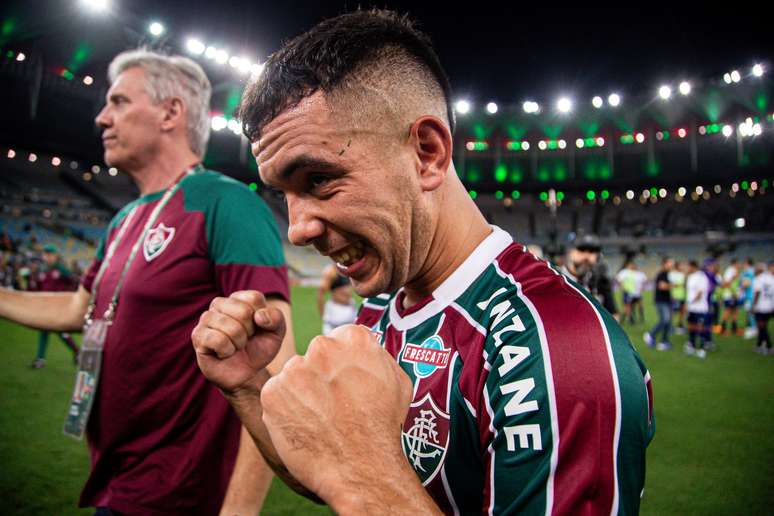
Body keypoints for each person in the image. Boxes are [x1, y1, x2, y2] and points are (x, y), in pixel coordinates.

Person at [191, 10, 655, 514]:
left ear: (427, 153)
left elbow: (364, 482)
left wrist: (365, 476)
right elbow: (336, 471)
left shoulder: (557, 348)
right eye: (284, 195)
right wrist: (247, 385)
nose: (297, 228)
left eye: (318, 180)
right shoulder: (382, 304)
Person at [0, 50, 295, 514]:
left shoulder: (227, 204)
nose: (102, 117)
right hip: (116, 480)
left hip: (180, 494)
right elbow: (78, 309)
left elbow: (274, 371)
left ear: (170, 112)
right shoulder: (123, 219)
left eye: (118, 101)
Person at [30, 244, 80, 368]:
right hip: (46, 306)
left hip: (58, 306)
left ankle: (77, 352)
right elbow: (38, 288)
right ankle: (41, 358)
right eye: (45, 254)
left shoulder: (61, 269)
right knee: (46, 330)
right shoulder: (42, 271)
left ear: (55, 256)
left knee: (57, 331)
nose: (47, 257)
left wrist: (68, 296)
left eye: (50, 254)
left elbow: (74, 281)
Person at [561, 233, 618, 319]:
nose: (586, 256)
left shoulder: (601, 282)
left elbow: (613, 315)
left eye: (592, 252)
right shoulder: (555, 278)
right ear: (570, 252)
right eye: (581, 250)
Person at [644, 257, 674, 351]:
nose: (672, 265)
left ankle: (664, 342)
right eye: (670, 263)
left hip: (666, 301)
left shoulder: (667, 274)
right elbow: (662, 286)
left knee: (668, 322)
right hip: (661, 301)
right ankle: (650, 334)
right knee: (665, 319)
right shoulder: (662, 274)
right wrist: (672, 285)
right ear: (664, 264)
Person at [685, 260, 710, 359]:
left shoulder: (702, 277)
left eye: (688, 266)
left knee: (700, 328)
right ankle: (692, 345)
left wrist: (689, 303)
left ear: (693, 266)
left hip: (700, 308)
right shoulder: (690, 277)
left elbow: (700, 293)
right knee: (691, 326)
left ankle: (702, 348)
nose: (687, 268)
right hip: (692, 308)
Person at [751, 261, 774, 354]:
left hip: (760, 307)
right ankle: (759, 345)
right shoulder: (771, 278)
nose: (754, 270)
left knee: (762, 327)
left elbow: (757, 292)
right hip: (770, 306)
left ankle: (769, 346)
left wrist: (753, 305)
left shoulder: (758, 279)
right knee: (762, 327)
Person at [616, 260, 646, 324]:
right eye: (630, 265)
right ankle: (629, 319)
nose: (632, 266)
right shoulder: (624, 272)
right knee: (627, 306)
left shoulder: (637, 273)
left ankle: (641, 318)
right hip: (628, 292)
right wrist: (623, 287)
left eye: (633, 265)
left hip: (637, 293)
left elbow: (643, 280)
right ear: (628, 265)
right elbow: (619, 280)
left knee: (639, 305)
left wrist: (642, 288)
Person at [719, 257, 741, 336]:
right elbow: (726, 283)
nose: (739, 265)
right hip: (730, 295)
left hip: (734, 295)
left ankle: (734, 329)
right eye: (738, 263)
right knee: (727, 312)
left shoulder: (734, 270)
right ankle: (723, 330)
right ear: (734, 263)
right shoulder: (730, 271)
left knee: (735, 311)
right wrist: (733, 293)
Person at [740, 257, 758, 339]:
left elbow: (746, 284)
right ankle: (751, 327)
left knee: (750, 312)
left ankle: (754, 329)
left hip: (750, 296)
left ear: (747, 263)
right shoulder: (752, 271)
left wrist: (741, 288)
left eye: (744, 263)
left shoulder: (748, 272)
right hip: (751, 295)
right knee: (750, 312)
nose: (743, 264)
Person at [669, 260, 687, 333]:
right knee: (673, 312)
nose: (682, 267)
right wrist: (671, 295)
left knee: (682, 311)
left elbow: (685, 284)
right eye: (681, 266)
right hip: (675, 296)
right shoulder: (672, 274)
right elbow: (670, 285)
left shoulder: (683, 274)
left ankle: (680, 325)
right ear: (677, 266)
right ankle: (670, 326)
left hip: (683, 296)